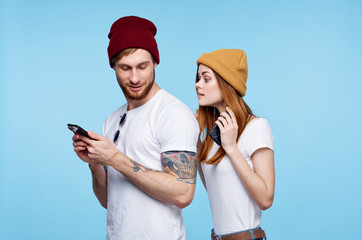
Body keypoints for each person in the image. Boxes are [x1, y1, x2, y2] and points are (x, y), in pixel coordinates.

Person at [71, 16, 199, 240]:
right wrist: (95, 164)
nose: (135, 77)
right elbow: (108, 201)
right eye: (125, 68)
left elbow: (183, 192)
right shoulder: (112, 119)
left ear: (155, 63)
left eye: (142, 66)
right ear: (113, 66)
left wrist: (115, 159)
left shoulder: (173, 113)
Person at [195, 49, 275, 240]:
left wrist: (231, 148)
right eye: (198, 78)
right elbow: (217, 189)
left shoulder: (256, 127)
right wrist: (194, 138)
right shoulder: (214, 135)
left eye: (206, 79)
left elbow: (265, 199)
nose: (198, 84)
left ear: (226, 83)